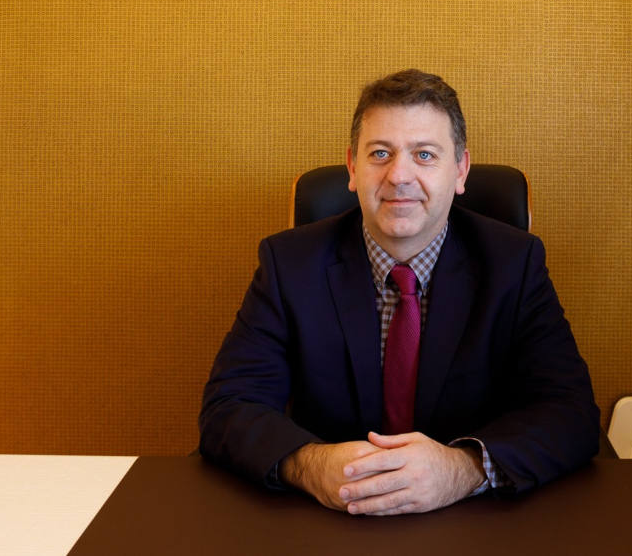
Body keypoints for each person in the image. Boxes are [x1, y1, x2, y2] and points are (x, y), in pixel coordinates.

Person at [198, 69, 599, 516]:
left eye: (424, 154)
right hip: (328, 518)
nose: (399, 175)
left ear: (460, 169)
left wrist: (462, 469)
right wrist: (311, 466)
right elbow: (229, 407)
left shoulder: (514, 265)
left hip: (474, 522)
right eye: (380, 153)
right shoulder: (289, 264)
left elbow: (570, 412)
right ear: (353, 168)